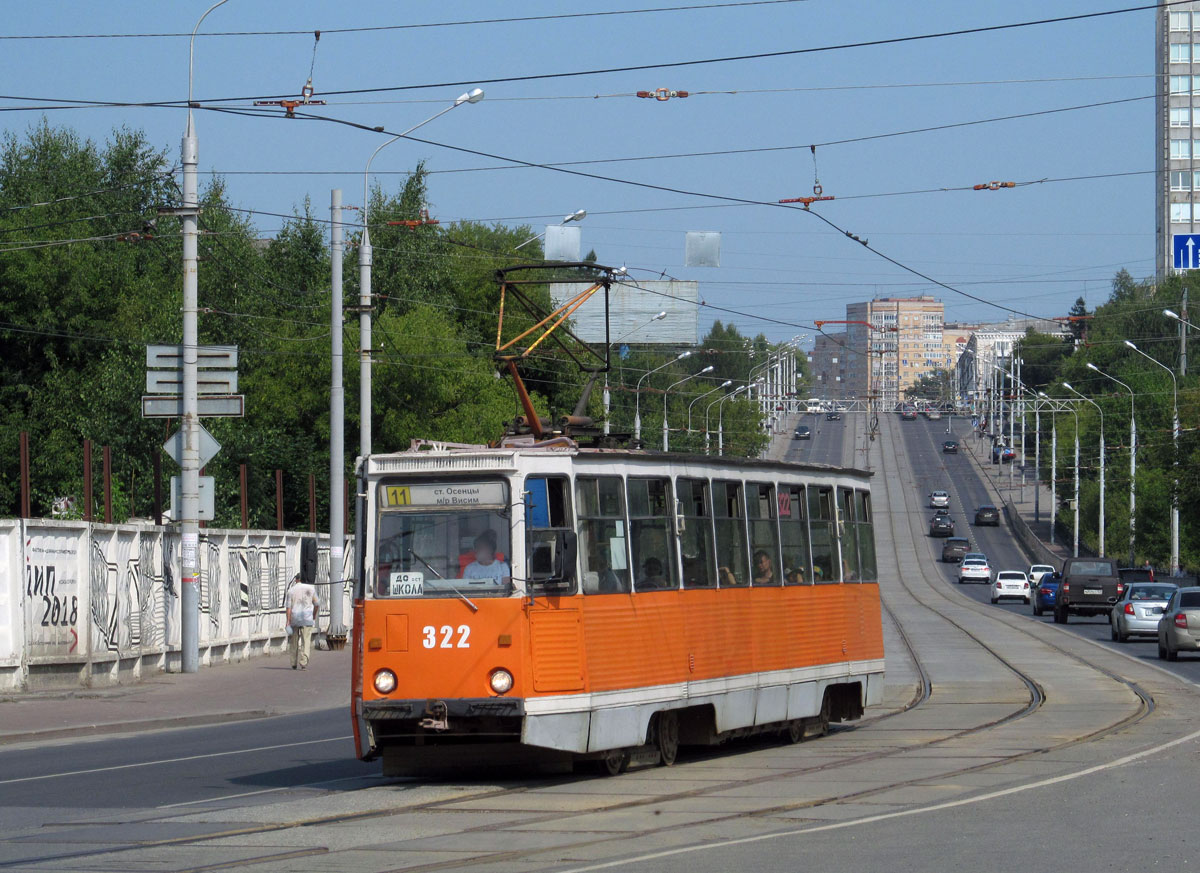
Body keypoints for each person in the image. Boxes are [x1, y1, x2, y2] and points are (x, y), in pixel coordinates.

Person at [284, 573, 319, 670]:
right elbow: (317, 604)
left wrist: (288, 621)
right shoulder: (311, 589)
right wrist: (314, 615)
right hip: (307, 618)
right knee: (306, 641)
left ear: (296, 580)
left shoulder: (291, 591)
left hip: (295, 618)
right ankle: (304, 662)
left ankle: (293, 663)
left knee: (294, 641)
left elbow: (288, 608)